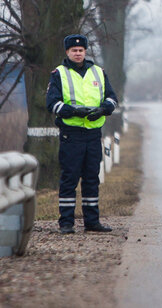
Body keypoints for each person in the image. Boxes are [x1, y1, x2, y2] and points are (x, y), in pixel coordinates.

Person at [46, 34, 119, 234]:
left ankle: (92, 221)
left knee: (91, 178)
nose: (78, 53)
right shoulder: (59, 74)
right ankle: (66, 223)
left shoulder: (98, 72)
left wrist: (103, 109)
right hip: (71, 133)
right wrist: (72, 111)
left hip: (93, 133)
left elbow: (112, 98)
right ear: (67, 52)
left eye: (81, 50)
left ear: (85, 51)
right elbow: (52, 103)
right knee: (70, 178)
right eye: (74, 51)